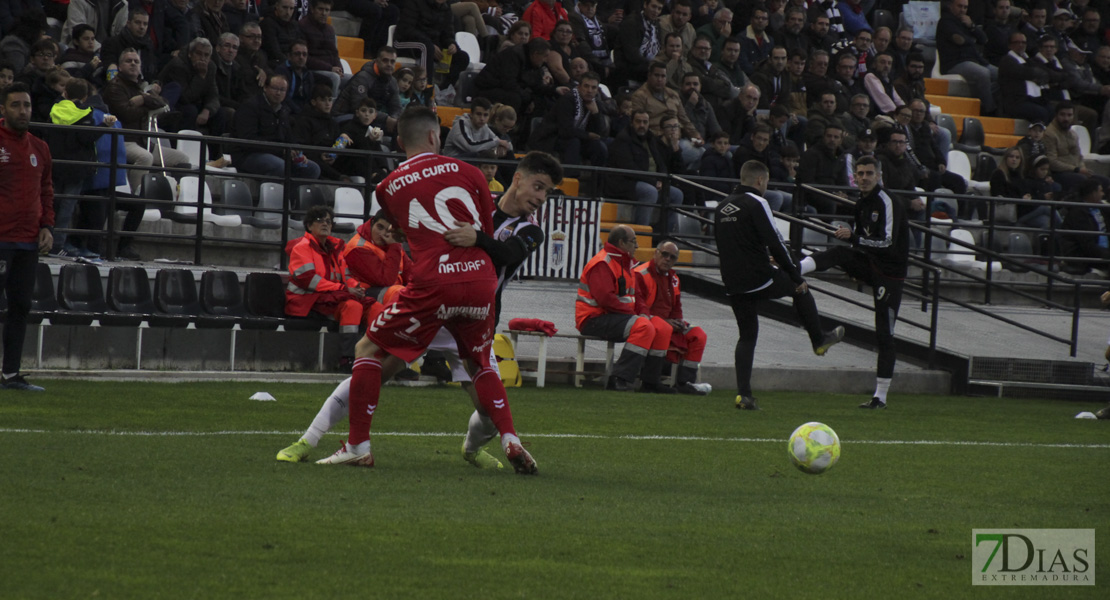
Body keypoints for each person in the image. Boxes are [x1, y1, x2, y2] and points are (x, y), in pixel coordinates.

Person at [278, 151, 563, 467]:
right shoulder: (473, 201)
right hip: (435, 307)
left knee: (487, 408)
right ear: (518, 178)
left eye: (547, 192)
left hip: (475, 315)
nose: (541, 197)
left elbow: (508, 254)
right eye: (539, 187)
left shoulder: (531, 229)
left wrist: (478, 237)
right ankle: (308, 439)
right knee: (375, 370)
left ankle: (471, 450)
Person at [318, 106, 538, 474]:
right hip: (481, 282)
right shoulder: (472, 173)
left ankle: (357, 445)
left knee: (367, 349)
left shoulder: (386, 186)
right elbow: (482, 231)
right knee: (481, 362)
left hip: (434, 283)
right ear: (436, 137)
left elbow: (403, 231)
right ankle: (510, 439)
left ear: (401, 141)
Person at [715, 160, 845, 410]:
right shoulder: (757, 202)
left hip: (732, 280)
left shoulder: (722, 207)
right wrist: (795, 276)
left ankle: (744, 396)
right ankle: (818, 340)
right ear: (760, 181)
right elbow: (775, 242)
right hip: (758, 276)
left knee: (747, 336)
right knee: (801, 289)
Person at [798, 156, 909, 409]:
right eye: (860, 173)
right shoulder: (861, 203)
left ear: (879, 175)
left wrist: (854, 238)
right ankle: (796, 269)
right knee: (839, 253)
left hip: (889, 273)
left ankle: (880, 398)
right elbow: (863, 242)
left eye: (870, 173)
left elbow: (887, 243)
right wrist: (856, 260)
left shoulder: (888, 201)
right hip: (872, 264)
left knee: (885, 334)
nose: (864, 177)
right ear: (855, 176)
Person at [576, 225, 676, 393]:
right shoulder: (602, 263)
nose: (636, 246)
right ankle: (618, 378)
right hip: (593, 319)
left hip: (615, 317)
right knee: (643, 326)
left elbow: (636, 296)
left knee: (663, 328)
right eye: (633, 241)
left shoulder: (625, 263)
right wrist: (636, 316)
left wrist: (643, 312)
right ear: (621, 243)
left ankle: (650, 382)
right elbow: (605, 299)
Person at [0, 82, 54, 392]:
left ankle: (11, 375)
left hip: (27, 241)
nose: (23, 111)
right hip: (1, 238)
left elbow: (46, 190)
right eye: (17, 105)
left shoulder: (40, 148)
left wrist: (47, 225)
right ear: (3, 109)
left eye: (27, 105)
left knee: (20, 306)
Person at [286, 205, 375, 370]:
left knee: (375, 307)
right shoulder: (301, 248)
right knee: (353, 306)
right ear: (309, 225)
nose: (325, 224)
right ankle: (347, 359)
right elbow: (308, 280)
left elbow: (347, 276)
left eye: (328, 221)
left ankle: (381, 357)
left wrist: (356, 287)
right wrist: (344, 289)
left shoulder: (335, 249)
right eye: (319, 220)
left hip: (332, 297)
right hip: (306, 301)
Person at [101, 48, 192, 192]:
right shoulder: (115, 87)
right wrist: (148, 108)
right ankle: (138, 199)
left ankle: (177, 195)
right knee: (145, 158)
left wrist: (144, 98)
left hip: (143, 141)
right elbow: (127, 113)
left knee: (182, 159)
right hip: (124, 139)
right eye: (128, 61)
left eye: (136, 61)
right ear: (120, 66)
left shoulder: (141, 87)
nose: (133, 64)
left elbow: (164, 104)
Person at [632, 241, 709, 395]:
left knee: (698, 335)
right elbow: (639, 305)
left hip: (668, 322)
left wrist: (679, 321)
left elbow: (676, 307)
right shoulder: (640, 273)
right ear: (656, 253)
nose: (667, 259)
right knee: (663, 328)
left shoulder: (674, 278)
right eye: (664, 254)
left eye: (672, 257)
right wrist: (666, 322)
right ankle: (651, 381)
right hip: (647, 318)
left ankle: (685, 382)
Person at [231, 72, 322, 179]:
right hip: (247, 154)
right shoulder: (250, 107)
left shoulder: (284, 110)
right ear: (265, 88)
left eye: (282, 90)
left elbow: (288, 136)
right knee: (279, 166)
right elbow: (249, 140)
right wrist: (281, 150)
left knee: (312, 168)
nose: (278, 93)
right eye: (275, 88)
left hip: (277, 153)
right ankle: (273, 194)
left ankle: (292, 195)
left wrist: (297, 151)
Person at [604, 109, 684, 228]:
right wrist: (653, 182)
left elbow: (660, 163)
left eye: (645, 122)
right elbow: (630, 168)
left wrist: (662, 179)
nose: (642, 125)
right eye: (638, 121)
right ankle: (642, 232)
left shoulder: (651, 139)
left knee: (677, 194)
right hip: (626, 183)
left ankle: (666, 234)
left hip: (651, 181)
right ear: (632, 123)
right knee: (649, 192)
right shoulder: (623, 140)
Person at [936, 0, 997, 116]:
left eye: (965, 7)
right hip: (955, 63)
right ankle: (989, 111)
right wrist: (972, 40)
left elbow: (984, 40)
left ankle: (989, 102)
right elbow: (959, 40)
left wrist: (972, 26)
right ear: (951, 5)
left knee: (1002, 74)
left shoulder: (967, 22)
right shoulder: (945, 22)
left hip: (976, 60)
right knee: (983, 74)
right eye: (960, 6)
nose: (962, 10)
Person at [1059, 178, 1110, 274]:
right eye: (1101, 191)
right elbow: (1087, 245)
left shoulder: (1101, 209)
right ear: (1093, 193)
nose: (1103, 194)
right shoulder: (1078, 213)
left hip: (1103, 252)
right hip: (1085, 256)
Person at [443, 96, 511, 158]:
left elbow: (503, 143)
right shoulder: (460, 124)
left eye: (485, 115)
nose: (482, 118)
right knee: (477, 155)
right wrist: (497, 142)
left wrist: (503, 147)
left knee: (508, 155)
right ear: (471, 114)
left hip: (470, 163)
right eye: (478, 114)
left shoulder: (484, 127)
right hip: (452, 163)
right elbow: (471, 147)